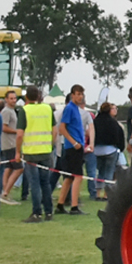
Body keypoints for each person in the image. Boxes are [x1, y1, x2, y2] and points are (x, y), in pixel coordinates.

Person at [18, 87, 56, 223]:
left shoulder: (25, 110)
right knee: (45, 183)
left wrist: (18, 151)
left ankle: (36, 213)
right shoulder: (47, 108)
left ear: (26, 97)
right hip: (46, 151)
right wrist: (51, 145)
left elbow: (20, 134)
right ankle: (49, 212)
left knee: (34, 184)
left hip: (31, 152)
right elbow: (54, 130)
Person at [54, 85, 91, 215]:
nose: (80, 97)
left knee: (69, 177)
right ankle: (74, 206)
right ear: (72, 95)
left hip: (77, 146)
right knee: (78, 176)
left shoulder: (76, 109)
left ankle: (60, 204)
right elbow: (62, 128)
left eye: (82, 94)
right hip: (73, 148)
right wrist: (74, 142)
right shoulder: (69, 108)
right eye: (78, 94)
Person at [92, 102, 125, 200]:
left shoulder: (95, 121)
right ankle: (106, 195)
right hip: (111, 150)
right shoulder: (113, 122)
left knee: (100, 172)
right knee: (109, 173)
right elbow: (119, 136)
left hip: (97, 150)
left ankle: (98, 193)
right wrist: (120, 147)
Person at [0, 90, 24, 204]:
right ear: (6, 99)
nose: (14, 100)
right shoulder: (6, 111)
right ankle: (5, 192)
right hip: (10, 144)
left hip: (10, 144)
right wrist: (17, 132)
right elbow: (3, 127)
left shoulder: (12, 111)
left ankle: (5, 193)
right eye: (11, 98)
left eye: (15, 98)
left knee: (8, 168)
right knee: (19, 168)